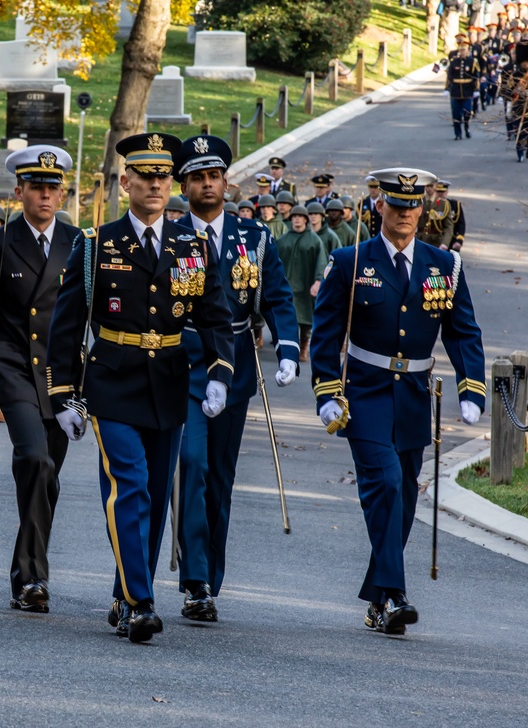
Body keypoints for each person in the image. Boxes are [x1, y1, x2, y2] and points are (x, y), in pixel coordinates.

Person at [46, 132, 236, 643]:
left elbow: (215, 316)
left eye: (162, 177)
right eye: (144, 176)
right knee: (129, 484)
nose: (154, 185)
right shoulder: (95, 245)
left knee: (152, 493)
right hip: (112, 380)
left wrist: (219, 370)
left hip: (170, 382)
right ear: (125, 180)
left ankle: (125, 590)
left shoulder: (190, 246)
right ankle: (140, 601)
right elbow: (66, 326)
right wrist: (63, 394)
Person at [311, 167, 485, 636]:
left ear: (422, 208)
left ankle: (378, 597)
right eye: (397, 204)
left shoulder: (443, 265)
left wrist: (472, 385)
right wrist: (327, 390)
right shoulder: (350, 261)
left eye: (413, 205)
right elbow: (326, 334)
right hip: (363, 392)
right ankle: (395, 595)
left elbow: (463, 331)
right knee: (384, 483)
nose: (405, 213)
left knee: (405, 495)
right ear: (378, 207)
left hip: (414, 395)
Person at [172, 135, 299, 623]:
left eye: (214, 176)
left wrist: (288, 347)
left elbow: (278, 297)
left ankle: (210, 578)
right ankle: (195, 579)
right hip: (185, 364)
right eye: (198, 177)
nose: (207, 184)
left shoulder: (255, 237)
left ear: (226, 181)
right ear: (184, 185)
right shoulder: (172, 234)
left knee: (220, 477)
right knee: (193, 463)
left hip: (239, 364)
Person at [0, 144, 80, 613]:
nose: (45, 196)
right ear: (19, 191)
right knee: (33, 458)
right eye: (37, 188)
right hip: (13, 364)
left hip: (63, 373)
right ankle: (34, 577)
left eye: (53, 188)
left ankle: (23, 570)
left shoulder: (79, 244)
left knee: (48, 478)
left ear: (63, 192)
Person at [275, 204, 327, 362]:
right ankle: (287, 349)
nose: (297, 219)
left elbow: (321, 261)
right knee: (286, 318)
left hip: (306, 285)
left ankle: (304, 347)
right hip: (286, 285)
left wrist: (318, 281)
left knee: (305, 320)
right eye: (294, 216)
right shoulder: (283, 239)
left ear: (305, 219)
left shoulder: (314, 240)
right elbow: (274, 262)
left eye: (300, 216)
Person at [445, 38, 482, 140]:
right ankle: (457, 133)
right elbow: (449, 76)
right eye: (460, 50)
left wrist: (476, 90)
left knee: (467, 112)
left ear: (467, 51)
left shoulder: (472, 62)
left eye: (464, 50)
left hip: (467, 91)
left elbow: (476, 77)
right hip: (455, 91)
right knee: (456, 114)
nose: (462, 52)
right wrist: (447, 88)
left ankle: (466, 127)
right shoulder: (453, 62)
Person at [417, 181, 453, 248]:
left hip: (436, 241)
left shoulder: (443, 204)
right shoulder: (418, 202)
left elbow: (448, 226)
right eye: (427, 186)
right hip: (419, 239)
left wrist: (445, 243)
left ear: (436, 187)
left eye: (431, 186)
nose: (429, 189)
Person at [436, 180, 465, 251]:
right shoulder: (432, 205)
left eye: (442, 192)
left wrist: (459, 241)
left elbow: (461, 225)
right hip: (435, 241)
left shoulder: (455, 205)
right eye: (438, 192)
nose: (440, 194)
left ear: (446, 192)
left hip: (451, 241)